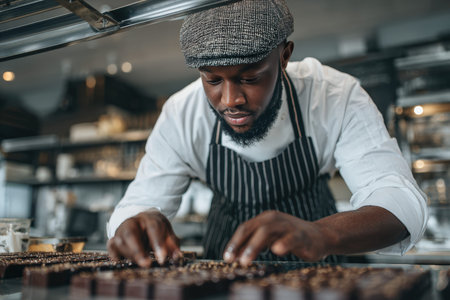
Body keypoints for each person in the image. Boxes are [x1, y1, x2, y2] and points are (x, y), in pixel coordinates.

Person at [107, 0, 428, 267]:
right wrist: (137, 221)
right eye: (213, 81)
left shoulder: (334, 95)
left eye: (250, 78)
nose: (231, 100)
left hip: (318, 264)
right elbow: (138, 204)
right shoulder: (181, 114)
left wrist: (322, 234)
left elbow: (400, 202)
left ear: (285, 56)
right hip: (226, 264)